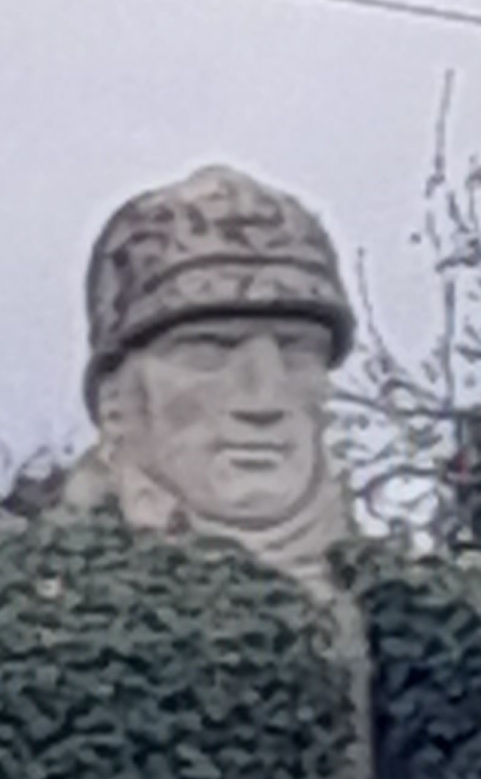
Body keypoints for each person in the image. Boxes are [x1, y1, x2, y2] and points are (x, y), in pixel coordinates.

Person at [60, 164, 356, 585]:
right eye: (210, 351)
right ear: (116, 401)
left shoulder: (413, 613)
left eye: (295, 352)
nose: (264, 398)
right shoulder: (30, 613)